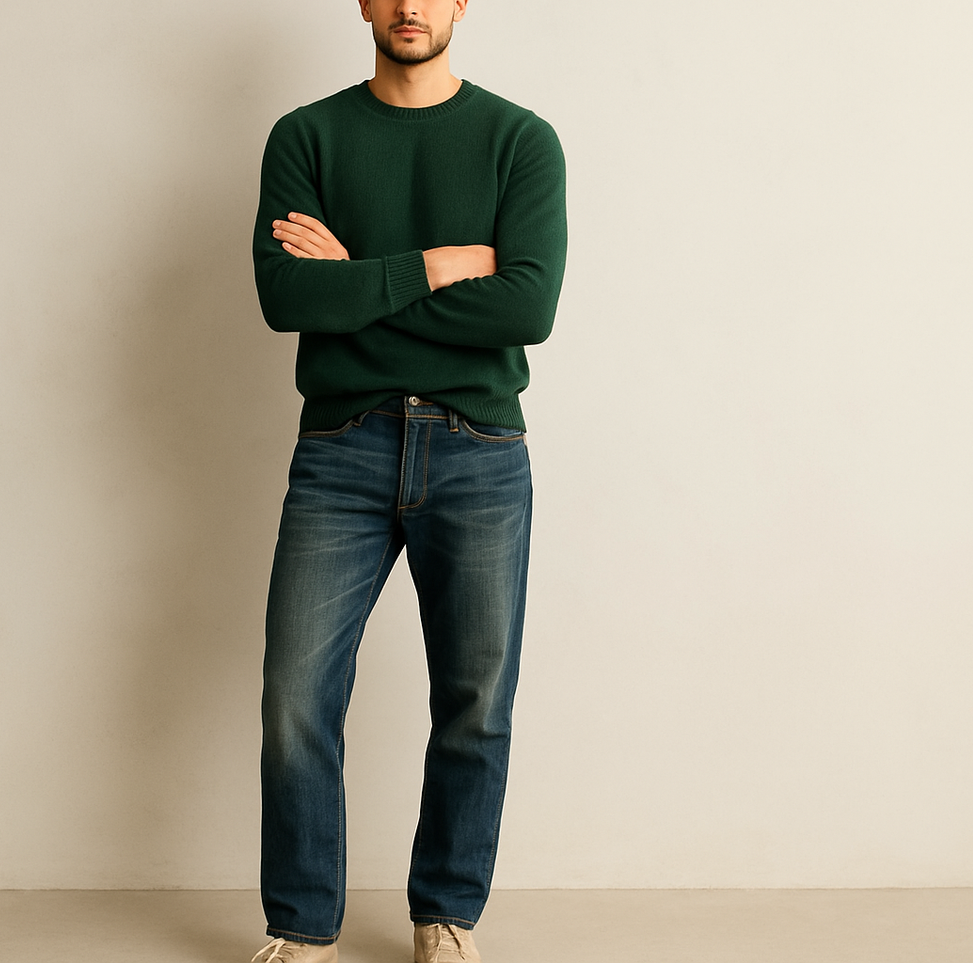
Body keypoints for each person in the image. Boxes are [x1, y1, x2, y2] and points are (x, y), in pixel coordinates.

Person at [250, 1, 566, 960]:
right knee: (296, 694)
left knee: (475, 698)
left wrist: (358, 283)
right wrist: (436, 266)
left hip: (479, 449)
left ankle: (445, 915)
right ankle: (302, 925)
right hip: (340, 447)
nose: (410, 5)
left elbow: (526, 307)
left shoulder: (520, 140)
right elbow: (285, 296)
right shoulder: (307, 136)